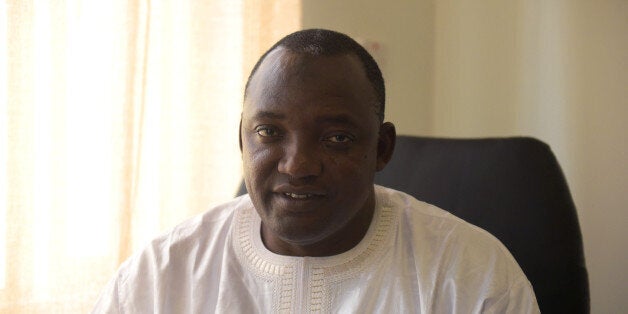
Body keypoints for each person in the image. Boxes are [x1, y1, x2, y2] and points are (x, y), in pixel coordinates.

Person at [93, 29, 539, 313]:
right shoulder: (161, 277)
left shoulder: (472, 276)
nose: (298, 165)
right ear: (242, 141)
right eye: (269, 132)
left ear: (381, 149)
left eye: (336, 138)